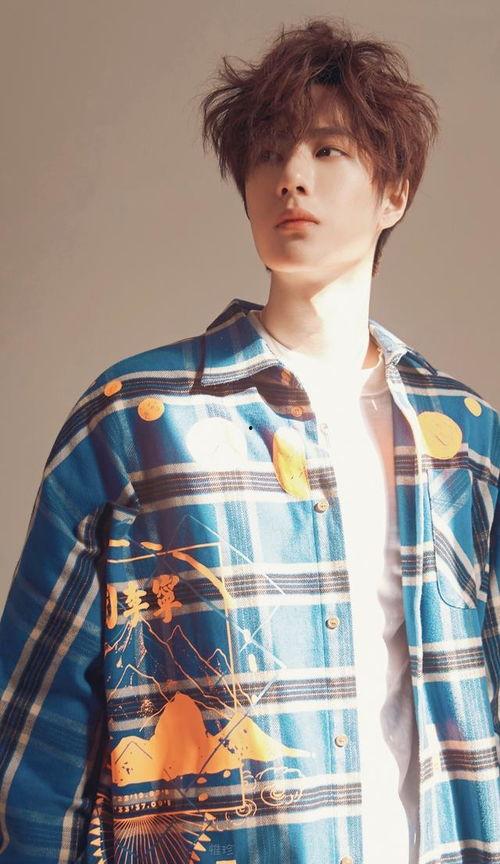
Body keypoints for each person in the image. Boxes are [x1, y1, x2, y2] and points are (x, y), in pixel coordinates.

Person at [0, 15, 498, 864]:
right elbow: (39, 727)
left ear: (395, 193)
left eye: (328, 151)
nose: (290, 177)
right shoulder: (136, 421)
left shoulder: (467, 443)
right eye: (268, 155)